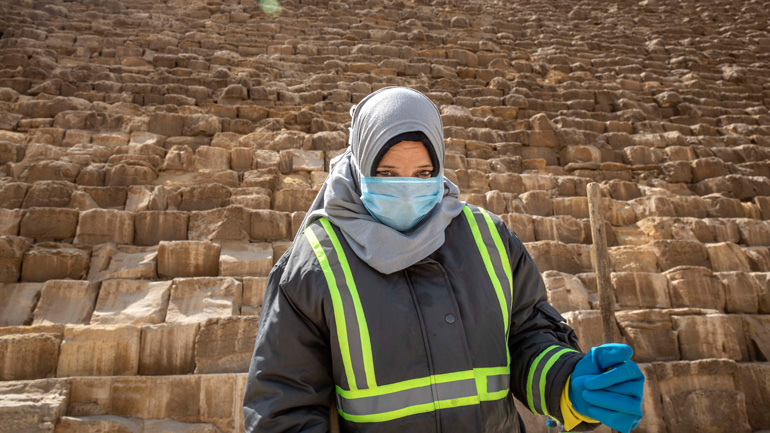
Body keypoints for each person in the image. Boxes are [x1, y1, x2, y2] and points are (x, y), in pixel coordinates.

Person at [243, 87, 645, 433]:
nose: (405, 190)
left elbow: (527, 335)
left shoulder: (490, 239)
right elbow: (283, 407)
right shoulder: (313, 265)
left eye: (422, 174)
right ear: (360, 165)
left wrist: (568, 383)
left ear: (440, 167)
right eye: (386, 173)